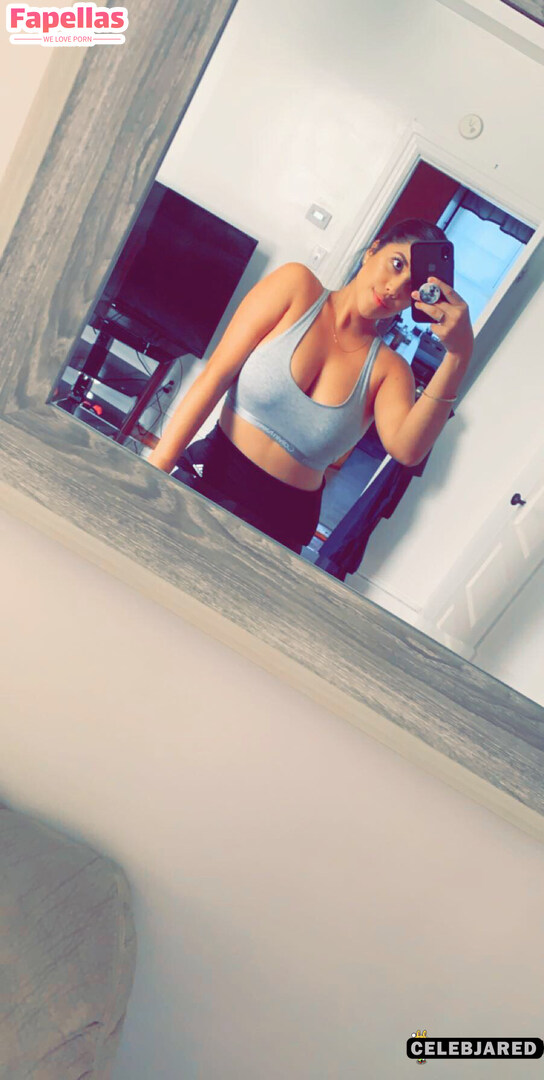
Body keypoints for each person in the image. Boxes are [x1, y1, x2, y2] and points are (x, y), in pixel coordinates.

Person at [147, 218, 474, 554]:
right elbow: (214, 377)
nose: (394, 289)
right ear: (373, 250)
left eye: (412, 287)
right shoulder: (295, 286)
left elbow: (407, 450)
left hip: (281, 529)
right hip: (207, 475)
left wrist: (459, 355)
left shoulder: (391, 371)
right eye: (397, 264)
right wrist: (154, 469)